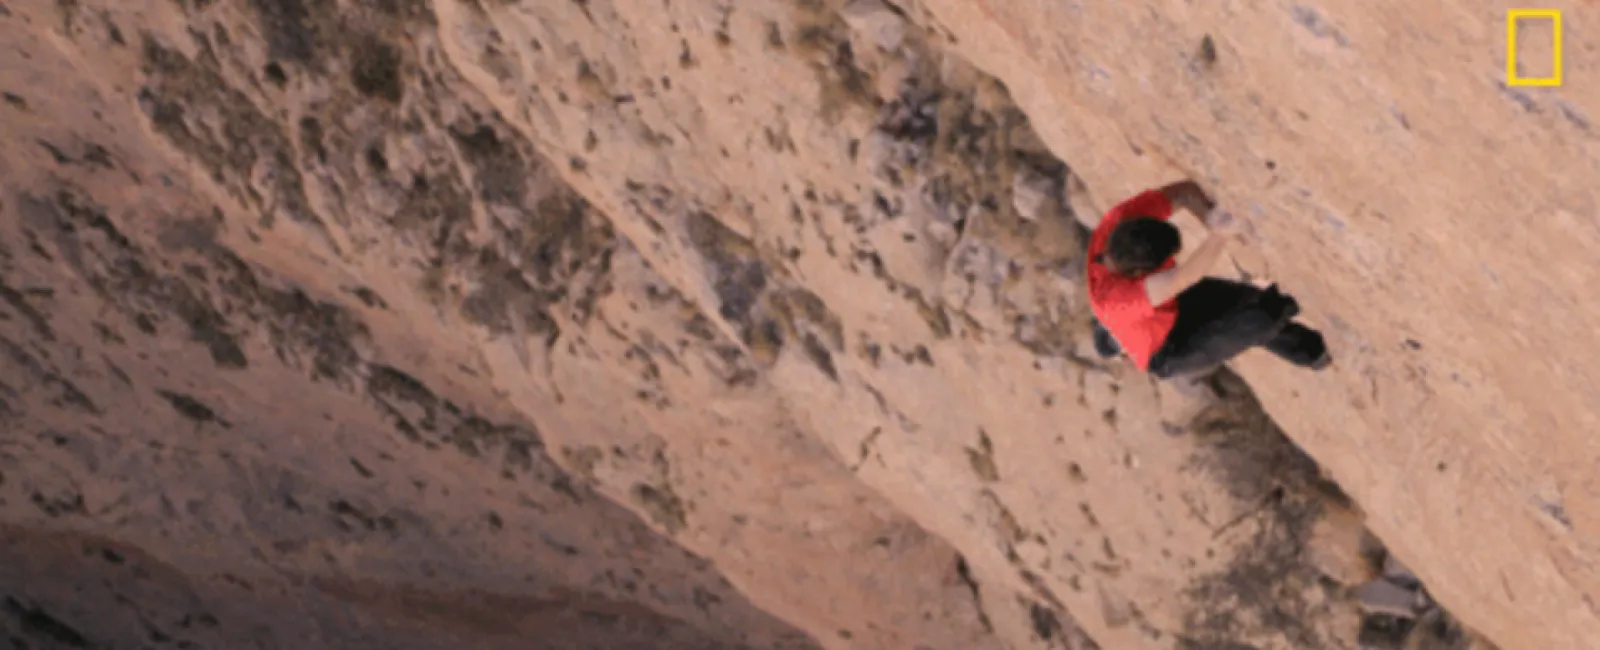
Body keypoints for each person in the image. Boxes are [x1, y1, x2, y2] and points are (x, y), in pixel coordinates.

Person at [1086, 181, 1331, 379]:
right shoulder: (1118, 300)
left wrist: (1210, 216)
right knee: (1260, 317)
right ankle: (1317, 352)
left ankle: (1309, 347)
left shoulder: (1118, 221)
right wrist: (1219, 235)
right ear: (1141, 273)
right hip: (1168, 348)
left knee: (1246, 301)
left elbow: (1185, 191)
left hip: (1169, 304)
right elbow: (1184, 277)